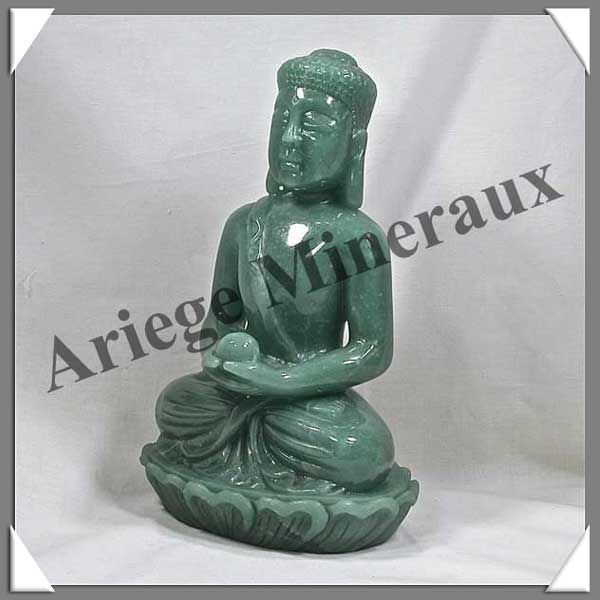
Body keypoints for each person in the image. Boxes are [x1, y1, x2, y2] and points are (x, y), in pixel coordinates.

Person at [152, 49, 396, 495]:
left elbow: (371, 349)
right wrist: (225, 357)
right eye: (282, 118)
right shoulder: (243, 224)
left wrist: (285, 380)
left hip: (311, 401)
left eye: (313, 125)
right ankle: (259, 456)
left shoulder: (359, 237)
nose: (290, 138)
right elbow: (220, 321)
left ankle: (247, 455)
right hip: (244, 389)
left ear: (354, 144)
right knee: (176, 404)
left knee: (364, 451)